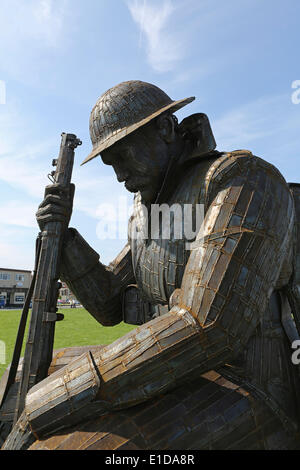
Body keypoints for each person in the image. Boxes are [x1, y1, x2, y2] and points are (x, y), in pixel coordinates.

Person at [3, 80, 300, 450]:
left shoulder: (242, 180)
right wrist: (64, 240)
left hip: (248, 385)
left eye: (124, 155)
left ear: (164, 128)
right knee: (12, 385)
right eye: (110, 164)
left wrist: (55, 399)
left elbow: (207, 326)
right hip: (175, 371)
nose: (119, 175)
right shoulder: (146, 210)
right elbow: (110, 304)